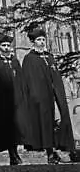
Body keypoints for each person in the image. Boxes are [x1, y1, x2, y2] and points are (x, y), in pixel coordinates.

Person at [22, 27, 75, 164]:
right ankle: (50, 153)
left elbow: (56, 77)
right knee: (45, 123)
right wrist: (35, 96)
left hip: (54, 94)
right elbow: (29, 80)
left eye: (43, 40)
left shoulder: (50, 57)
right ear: (33, 42)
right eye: (39, 40)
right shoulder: (29, 59)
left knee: (62, 117)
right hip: (40, 97)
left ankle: (68, 150)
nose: (42, 42)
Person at [0, 34, 28, 165]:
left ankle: (15, 151)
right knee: (7, 128)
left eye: (8, 45)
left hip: (16, 99)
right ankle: (12, 154)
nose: (6, 48)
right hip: (3, 101)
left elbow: (21, 79)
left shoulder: (15, 61)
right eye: (3, 46)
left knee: (17, 127)